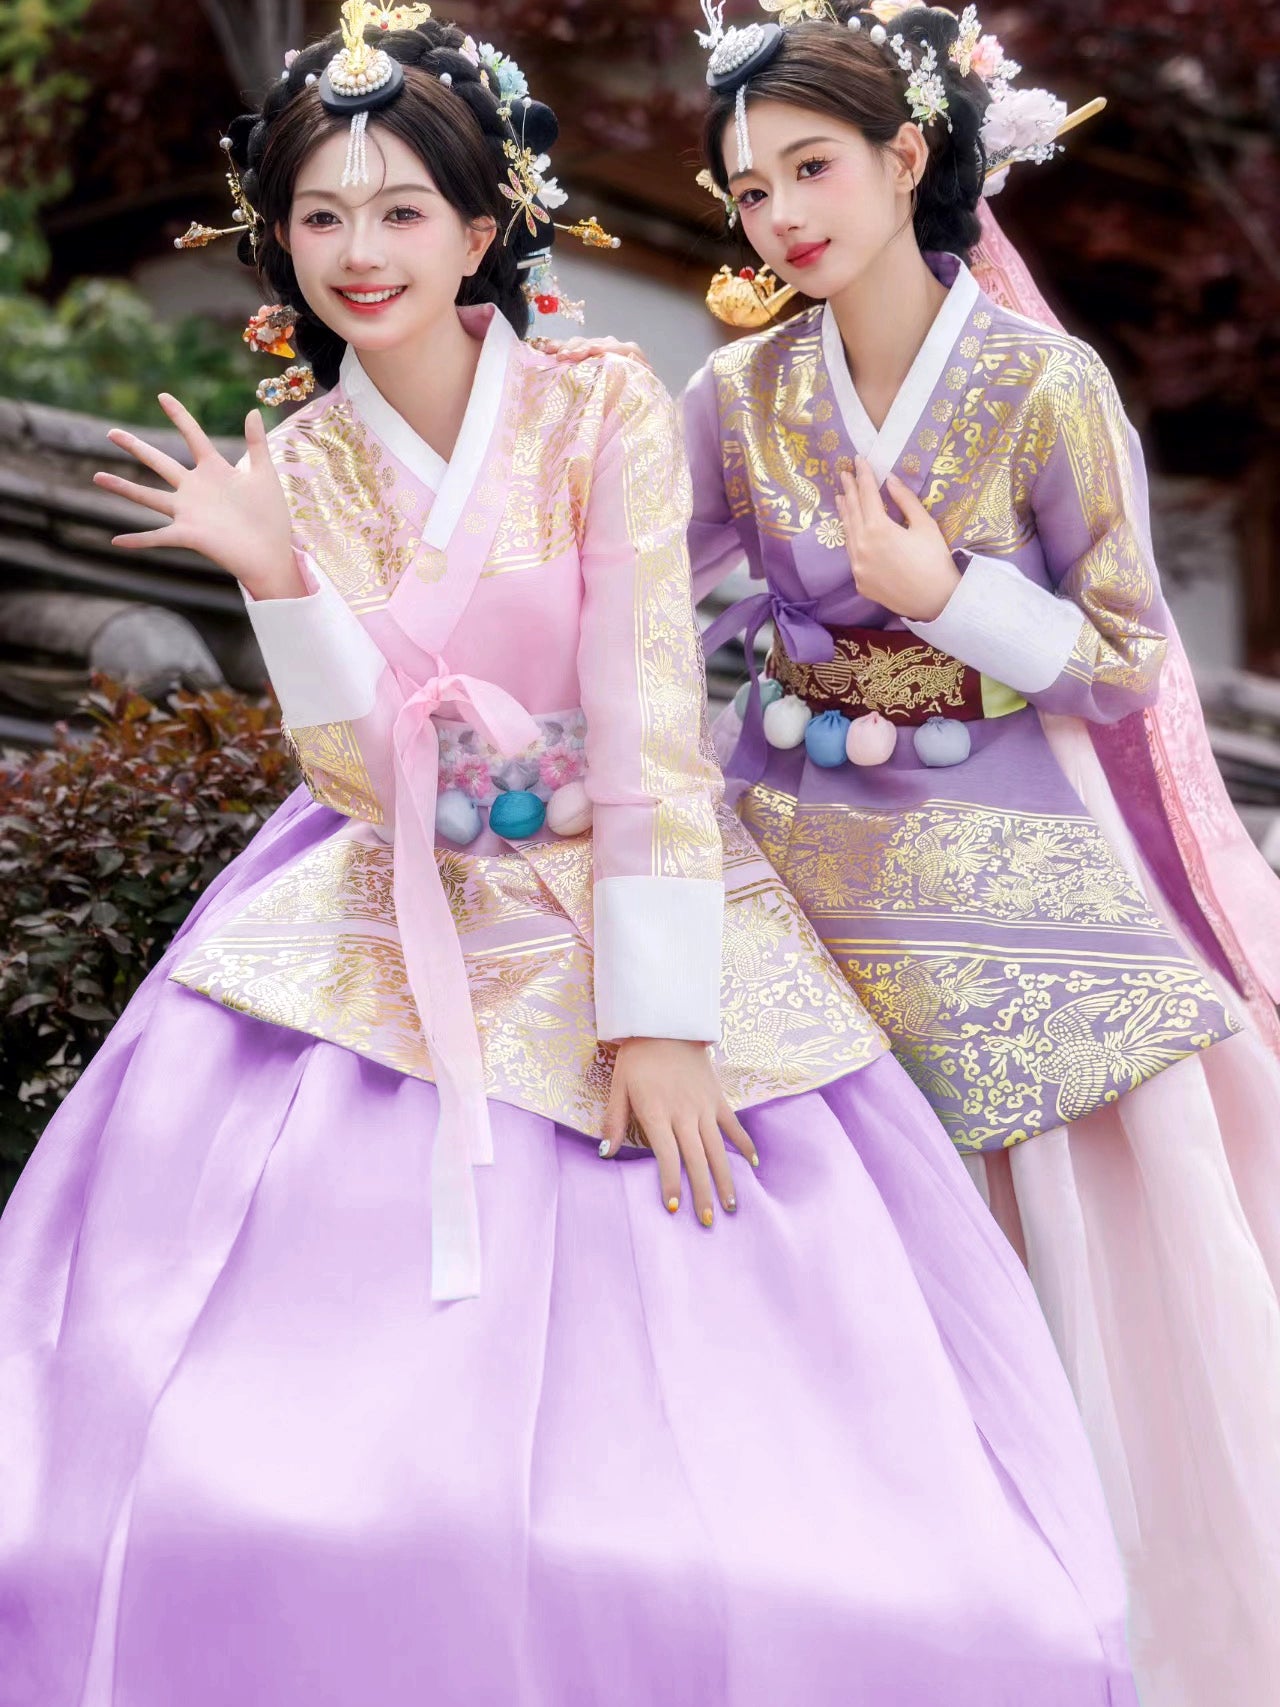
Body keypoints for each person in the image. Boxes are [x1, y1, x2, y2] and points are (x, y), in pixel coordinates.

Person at [0, 7, 1137, 1705]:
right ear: (275, 240)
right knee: (199, 1463)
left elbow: (652, 715)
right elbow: (353, 773)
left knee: (804, 1508)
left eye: (400, 212)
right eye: (319, 215)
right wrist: (277, 582)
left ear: (482, 228)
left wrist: (659, 1017)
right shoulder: (296, 462)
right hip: (377, 907)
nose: (359, 252)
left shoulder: (604, 405)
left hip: (634, 883)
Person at [668, 3, 1280, 1701]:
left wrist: (949, 598)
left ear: (909, 158)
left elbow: (1128, 652)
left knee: (1061, 1178)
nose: (781, 213)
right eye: (747, 188)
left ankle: (1067, 1611)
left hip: (993, 821)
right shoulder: (735, 391)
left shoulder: (1040, 381)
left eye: (812, 167)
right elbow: (645, 596)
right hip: (788, 820)